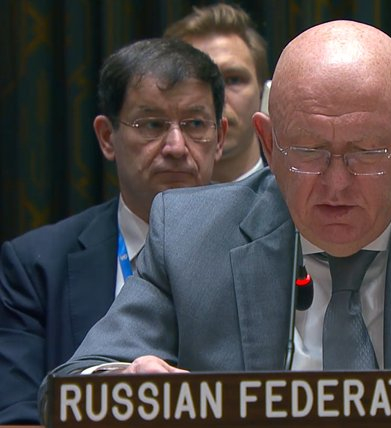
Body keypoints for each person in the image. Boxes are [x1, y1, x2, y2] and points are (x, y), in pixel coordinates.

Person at [43, 21, 391, 419]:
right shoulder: (190, 232)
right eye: (308, 152)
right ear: (267, 143)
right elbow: (69, 386)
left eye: (367, 153)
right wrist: (121, 390)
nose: (337, 184)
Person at [0, 38, 227, 424]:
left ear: (219, 137)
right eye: (152, 124)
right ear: (107, 137)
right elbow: (15, 415)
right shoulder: (35, 266)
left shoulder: (266, 248)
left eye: (194, 124)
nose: (176, 146)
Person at [165, 2, 268, 183]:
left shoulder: (297, 197)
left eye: (234, 80)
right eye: (199, 82)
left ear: (263, 91)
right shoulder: (151, 200)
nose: (219, 99)